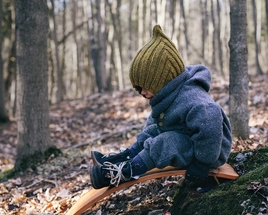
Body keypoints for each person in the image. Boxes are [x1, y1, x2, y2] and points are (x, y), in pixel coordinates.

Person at [90, 25, 232, 190]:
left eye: (145, 86)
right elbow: (154, 125)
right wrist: (140, 144)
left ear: (163, 81)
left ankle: (127, 171)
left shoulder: (195, 100)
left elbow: (210, 128)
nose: (142, 92)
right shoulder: (168, 94)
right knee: (152, 131)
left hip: (209, 152)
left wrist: (202, 164)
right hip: (187, 138)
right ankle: (126, 157)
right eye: (138, 88)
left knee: (165, 143)